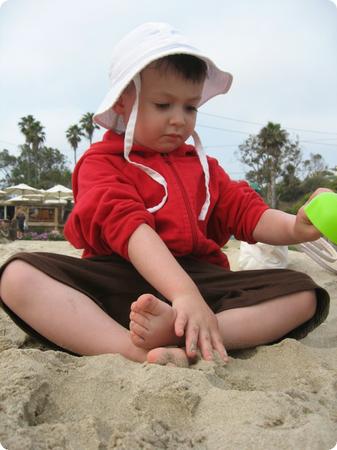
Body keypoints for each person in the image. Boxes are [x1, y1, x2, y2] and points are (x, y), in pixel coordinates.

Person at [0, 23, 330, 367]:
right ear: (124, 102)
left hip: (198, 279)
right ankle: (133, 351)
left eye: (190, 108)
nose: (179, 120)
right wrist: (181, 294)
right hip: (118, 278)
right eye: (162, 104)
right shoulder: (100, 163)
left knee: (303, 292)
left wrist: (296, 227)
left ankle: (187, 333)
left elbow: (246, 211)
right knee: (17, 276)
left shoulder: (204, 168)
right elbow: (129, 228)